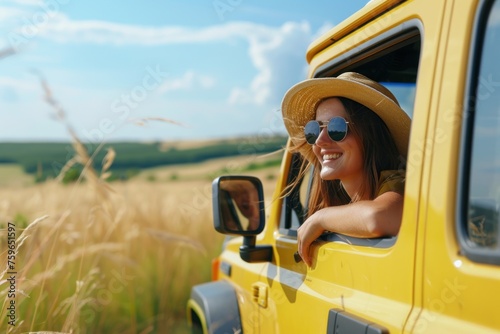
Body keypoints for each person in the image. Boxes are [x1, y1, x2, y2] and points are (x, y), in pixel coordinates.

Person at [281, 72, 410, 267]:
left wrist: (321, 218)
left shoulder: (398, 184)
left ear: (370, 135)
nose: (320, 140)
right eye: (314, 129)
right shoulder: (345, 210)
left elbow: (379, 218)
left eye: (336, 128)